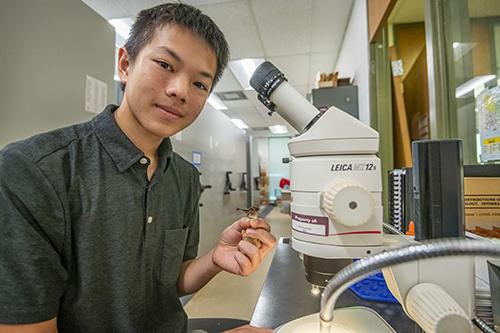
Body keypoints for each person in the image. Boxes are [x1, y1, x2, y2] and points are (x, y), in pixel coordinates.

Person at [0, 3, 276, 332]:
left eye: (200, 85)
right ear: (125, 64)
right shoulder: (33, 172)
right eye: (164, 64)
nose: (179, 91)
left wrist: (215, 259)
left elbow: (170, 282)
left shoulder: (184, 178)